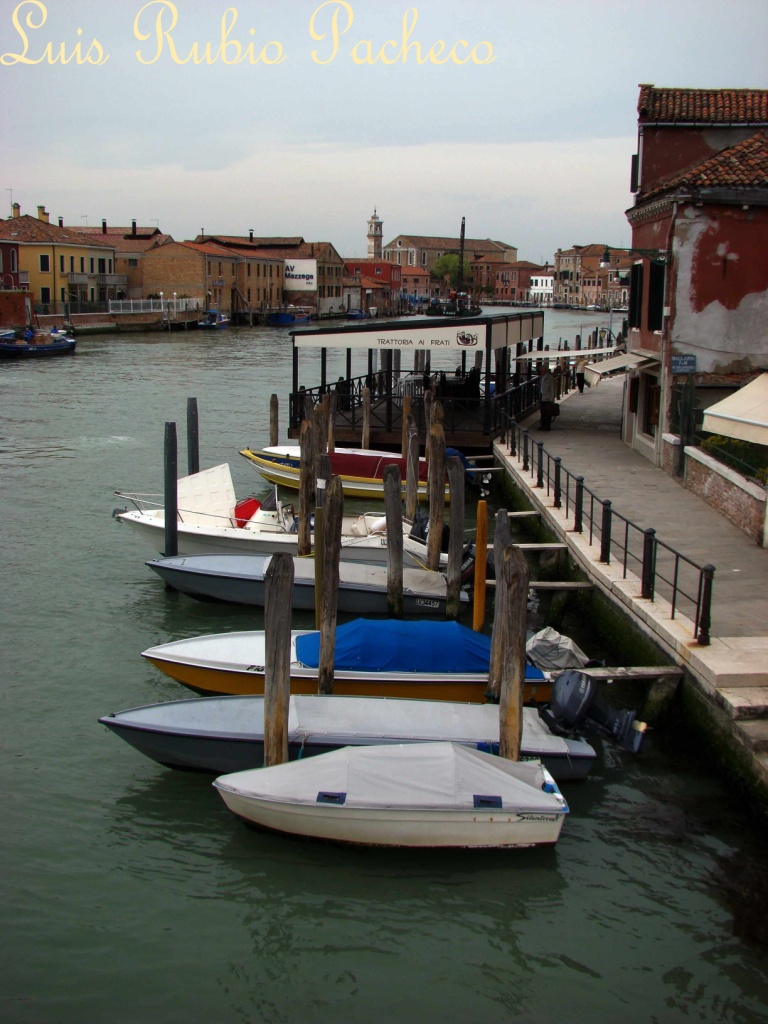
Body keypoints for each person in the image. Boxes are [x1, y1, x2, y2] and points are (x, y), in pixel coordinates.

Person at [539, 365, 555, 430]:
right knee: (542, 412)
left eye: (541, 370)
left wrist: (552, 399)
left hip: (547, 397)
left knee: (548, 412)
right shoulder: (541, 377)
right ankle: (542, 425)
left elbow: (552, 388)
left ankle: (547, 426)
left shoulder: (550, 377)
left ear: (544, 370)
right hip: (542, 396)